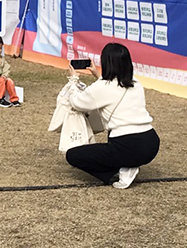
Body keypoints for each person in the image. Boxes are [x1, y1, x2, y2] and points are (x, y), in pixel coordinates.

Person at [65, 43, 160, 189]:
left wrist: (73, 80)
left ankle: (121, 170)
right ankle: (128, 164)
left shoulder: (102, 87)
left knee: (73, 155)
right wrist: (98, 76)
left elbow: (77, 102)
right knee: (112, 146)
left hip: (127, 145)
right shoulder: (136, 83)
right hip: (151, 142)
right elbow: (112, 89)